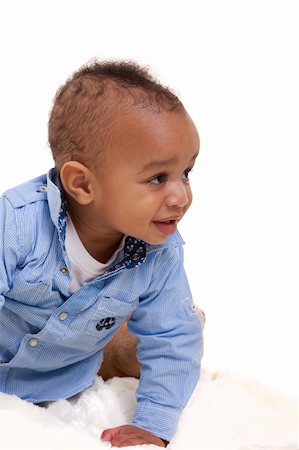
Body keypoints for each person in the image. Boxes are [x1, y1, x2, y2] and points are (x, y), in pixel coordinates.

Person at [0, 59, 204, 448]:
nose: (182, 197)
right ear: (82, 184)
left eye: (186, 173)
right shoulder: (16, 223)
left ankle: (127, 342)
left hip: (71, 371)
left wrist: (155, 423)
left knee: (179, 331)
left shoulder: (159, 251)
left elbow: (171, 337)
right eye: (158, 178)